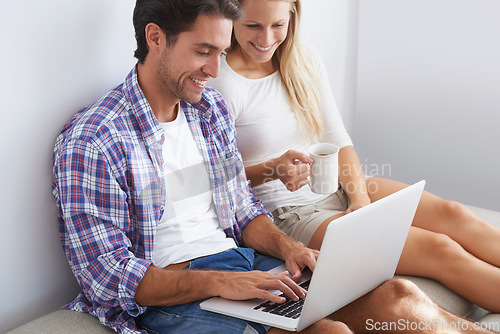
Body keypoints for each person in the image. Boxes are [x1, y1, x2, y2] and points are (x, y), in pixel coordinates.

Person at [52, 0, 497, 333]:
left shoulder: (208, 112)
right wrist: (219, 284)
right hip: (172, 288)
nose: (213, 69)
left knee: (398, 296)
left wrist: (288, 249)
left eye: (220, 53)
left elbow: (243, 210)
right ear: (154, 38)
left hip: (242, 264)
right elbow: (107, 276)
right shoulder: (93, 140)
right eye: (203, 51)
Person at [208, 0, 500, 314]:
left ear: (292, 16)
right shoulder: (221, 81)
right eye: (253, 26)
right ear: (232, 17)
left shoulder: (303, 59)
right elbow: (218, 177)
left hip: (336, 184)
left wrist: (359, 200)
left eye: (278, 25)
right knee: (439, 248)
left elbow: (337, 140)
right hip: (290, 213)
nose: (266, 38)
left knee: (453, 213)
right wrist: (273, 170)